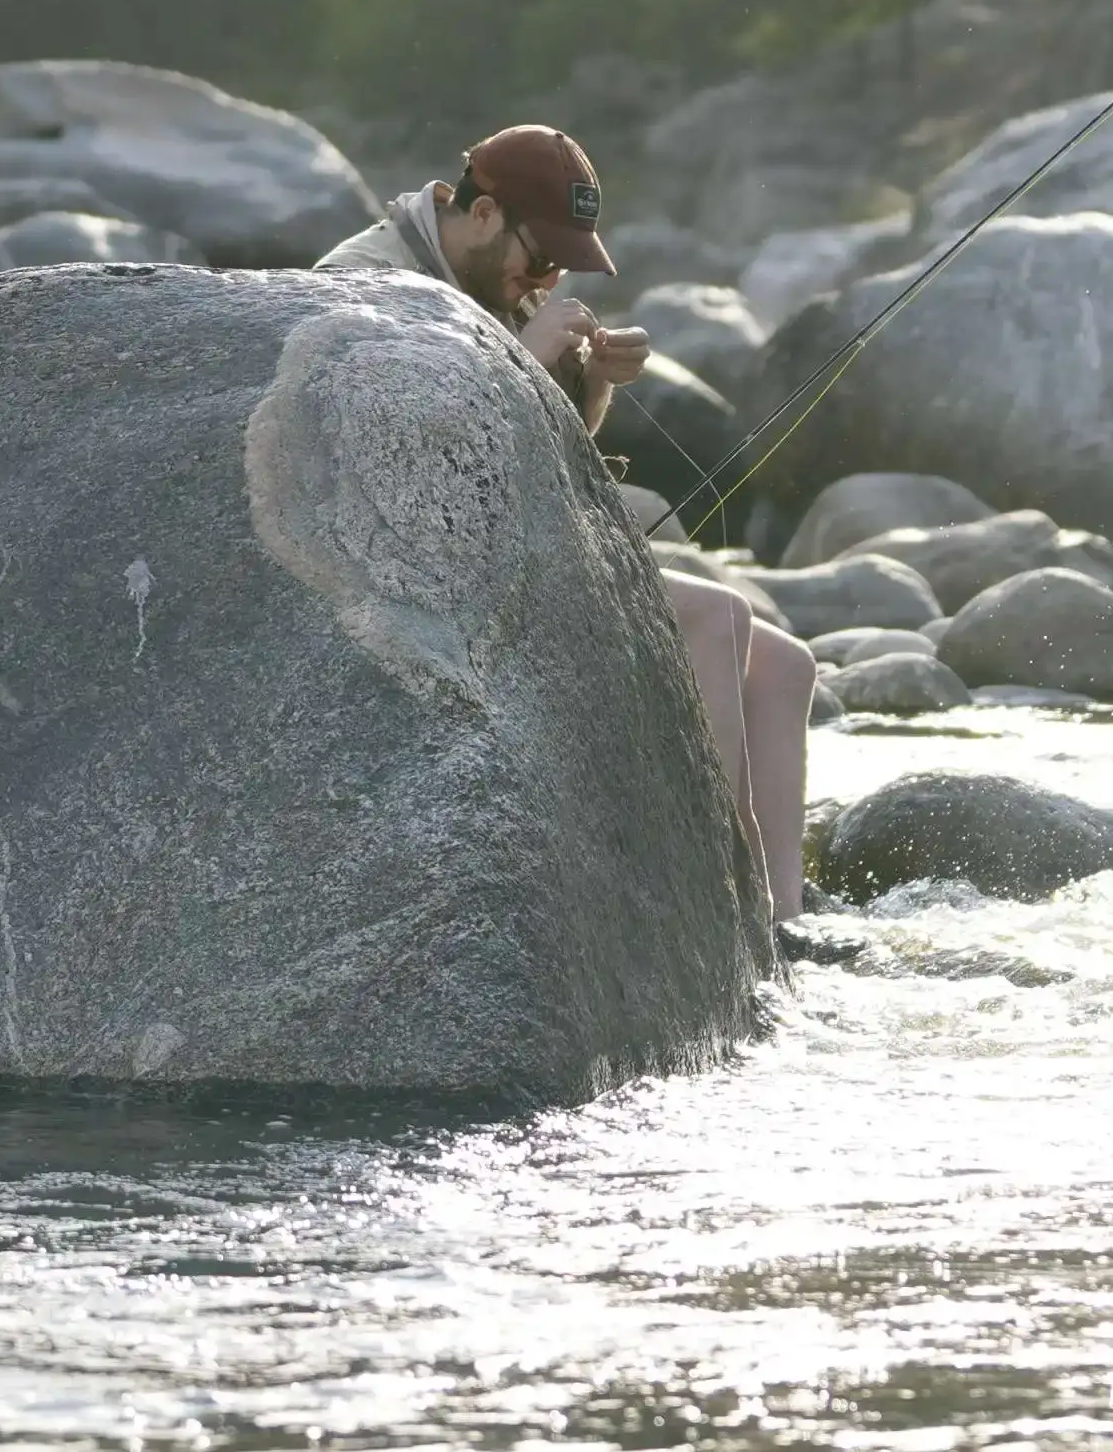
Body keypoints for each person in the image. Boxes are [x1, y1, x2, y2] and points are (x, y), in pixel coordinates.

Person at [322, 126, 810, 915]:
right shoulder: (360, 284)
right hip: (415, 575)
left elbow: (541, 447)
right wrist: (518, 356)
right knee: (719, 615)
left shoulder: (487, 283)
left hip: (502, 546)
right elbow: (398, 459)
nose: (543, 279)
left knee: (787, 667)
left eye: (559, 265)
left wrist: (591, 383)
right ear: (482, 217)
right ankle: (729, 888)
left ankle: (785, 917)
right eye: (539, 256)